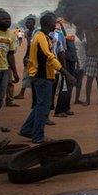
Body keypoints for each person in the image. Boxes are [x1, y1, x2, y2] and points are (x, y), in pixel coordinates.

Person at [19, 13, 75, 144]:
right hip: (41, 76)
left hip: (44, 76)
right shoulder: (40, 37)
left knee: (40, 105)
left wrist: (53, 75)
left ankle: (26, 129)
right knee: (44, 107)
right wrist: (66, 73)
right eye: (53, 23)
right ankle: (38, 136)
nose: (55, 25)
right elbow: (49, 56)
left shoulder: (44, 36)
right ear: (47, 24)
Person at [0, 10, 20, 132]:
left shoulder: (12, 35)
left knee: (0, 98)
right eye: (4, 19)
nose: (7, 21)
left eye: (9, 19)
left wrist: (14, 72)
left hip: (4, 69)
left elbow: (10, 55)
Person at [14, 16, 36, 100]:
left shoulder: (36, 33)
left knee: (35, 75)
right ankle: (22, 93)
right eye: (26, 23)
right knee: (25, 73)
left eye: (29, 23)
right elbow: (28, 46)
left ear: (34, 24)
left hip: (36, 56)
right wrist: (26, 56)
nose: (27, 24)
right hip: (29, 56)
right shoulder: (26, 32)